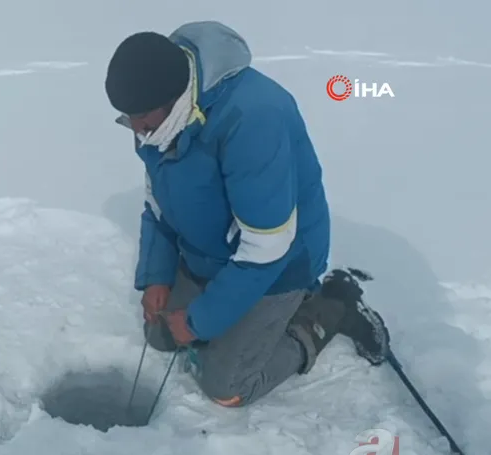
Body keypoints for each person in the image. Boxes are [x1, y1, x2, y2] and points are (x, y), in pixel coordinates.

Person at [104, 21, 390, 407]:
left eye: (142, 120)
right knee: (161, 336)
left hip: (279, 262)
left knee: (227, 388)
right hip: (209, 251)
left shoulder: (254, 118)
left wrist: (197, 321)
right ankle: (229, 318)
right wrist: (156, 277)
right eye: (129, 119)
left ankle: (329, 308)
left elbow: (266, 248)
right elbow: (157, 206)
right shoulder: (157, 119)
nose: (137, 131)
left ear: (174, 100)